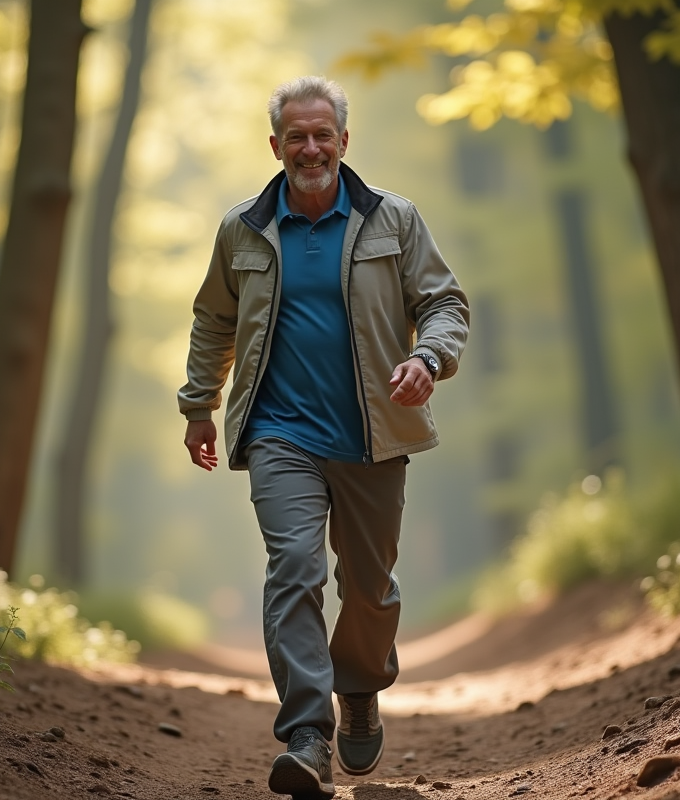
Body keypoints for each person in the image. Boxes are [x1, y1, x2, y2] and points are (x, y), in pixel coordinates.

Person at [179, 76, 469, 800]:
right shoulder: (243, 228)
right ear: (274, 145)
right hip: (279, 433)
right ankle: (307, 734)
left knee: (367, 588)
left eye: (323, 134)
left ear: (344, 139)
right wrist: (198, 405)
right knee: (295, 568)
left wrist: (427, 358)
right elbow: (214, 319)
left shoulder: (392, 220)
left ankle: (361, 687)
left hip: (375, 433)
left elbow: (443, 301)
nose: (311, 147)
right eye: (296, 136)